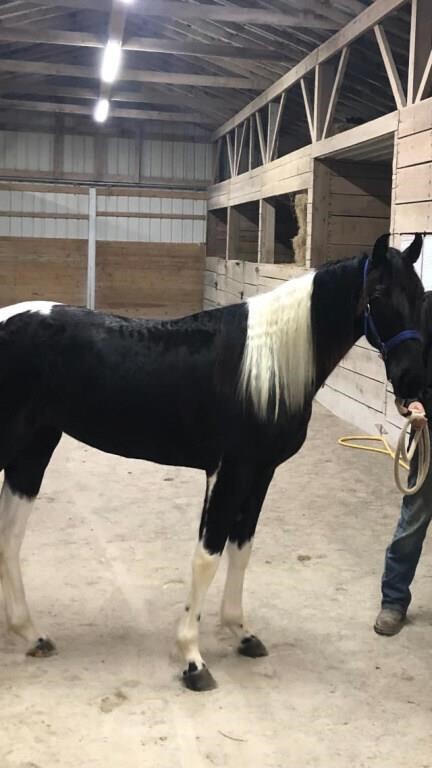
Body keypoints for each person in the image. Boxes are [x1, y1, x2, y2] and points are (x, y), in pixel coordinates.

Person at [375, 291, 432, 636]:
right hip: (430, 431)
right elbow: (408, 366)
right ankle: (394, 601)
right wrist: (412, 403)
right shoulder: (424, 308)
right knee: (414, 518)